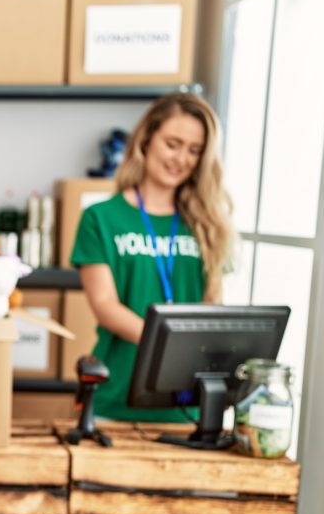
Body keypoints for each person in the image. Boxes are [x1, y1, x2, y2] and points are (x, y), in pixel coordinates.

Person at [70, 92, 234, 422]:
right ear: (146, 140)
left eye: (194, 150)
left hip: (187, 405)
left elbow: (211, 304)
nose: (181, 159)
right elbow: (106, 307)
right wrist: (173, 346)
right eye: (173, 144)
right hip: (117, 398)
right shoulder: (100, 218)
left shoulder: (208, 224)